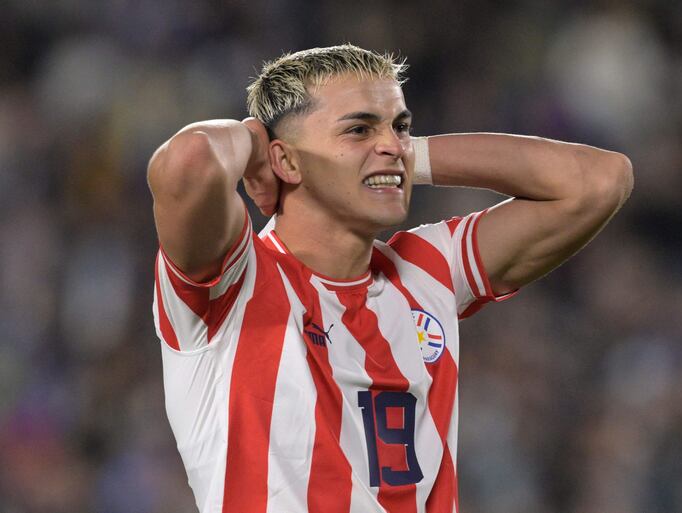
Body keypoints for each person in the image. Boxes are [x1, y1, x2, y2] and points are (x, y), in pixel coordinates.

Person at [148, 44, 633, 513]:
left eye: (400, 127)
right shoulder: (231, 284)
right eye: (359, 130)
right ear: (288, 161)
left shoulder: (425, 269)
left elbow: (600, 180)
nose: (389, 143)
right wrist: (256, 144)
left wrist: (408, 157)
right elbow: (188, 161)